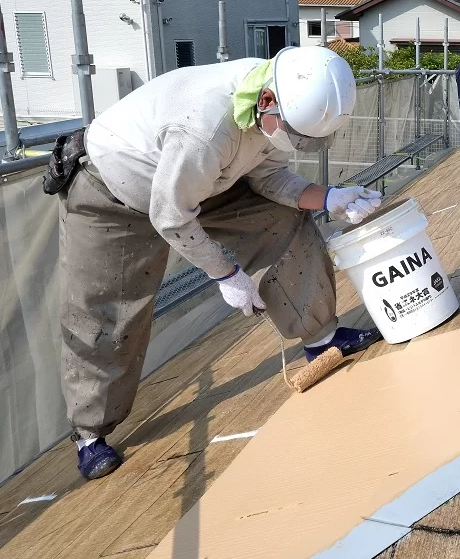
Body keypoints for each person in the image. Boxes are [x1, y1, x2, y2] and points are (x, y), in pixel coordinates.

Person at [51, 46, 384, 480]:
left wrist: (328, 197)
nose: (295, 145)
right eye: (293, 136)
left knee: (282, 222)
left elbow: (269, 177)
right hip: (112, 194)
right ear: (266, 102)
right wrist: (227, 275)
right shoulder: (203, 126)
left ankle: (319, 337)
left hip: (208, 179)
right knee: (105, 313)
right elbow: (170, 215)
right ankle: (90, 433)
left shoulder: (278, 106)